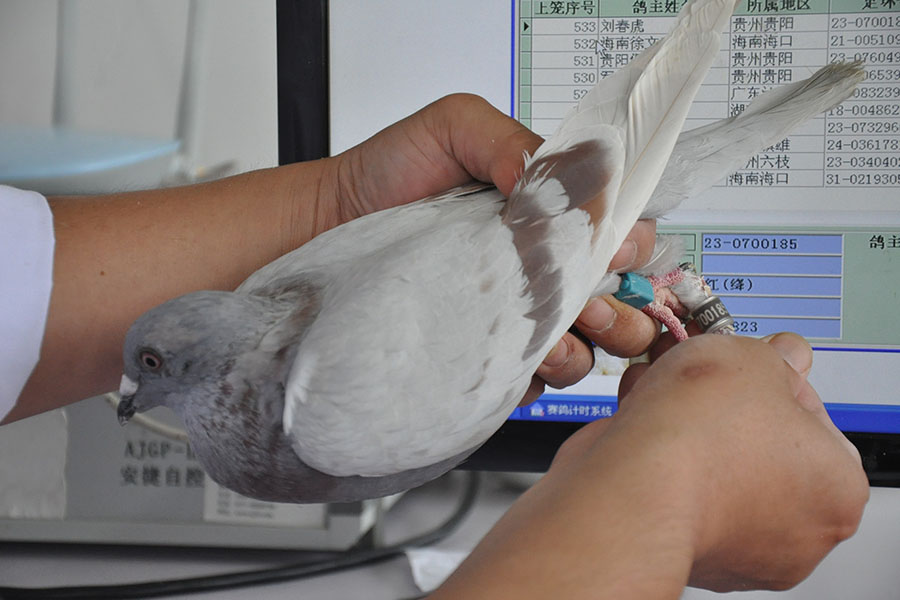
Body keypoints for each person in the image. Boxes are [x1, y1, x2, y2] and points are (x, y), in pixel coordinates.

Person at [0, 94, 868, 597]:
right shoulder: (276, 334)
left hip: (524, 237)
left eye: (150, 368)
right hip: (516, 240)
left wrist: (669, 474)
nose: (132, 391)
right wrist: (673, 486)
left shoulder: (322, 409)